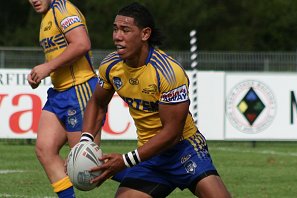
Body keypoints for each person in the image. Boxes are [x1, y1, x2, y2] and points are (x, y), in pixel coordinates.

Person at [80, 2, 231, 198]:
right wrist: (84, 143)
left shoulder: (168, 72)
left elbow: (172, 133)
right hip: (149, 156)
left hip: (184, 149)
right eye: (115, 29)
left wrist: (126, 160)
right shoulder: (110, 65)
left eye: (125, 30)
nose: (117, 36)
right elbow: (97, 104)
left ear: (145, 34)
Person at [27, 0, 100, 197]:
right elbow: (58, 53)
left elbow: (82, 43)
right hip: (59, 93)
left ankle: (144, 177)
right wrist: (40, 72)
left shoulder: (62, 8)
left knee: (87, 165)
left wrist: (48, 68)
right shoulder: (45, 18)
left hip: (80, 89)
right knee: (44, 149)